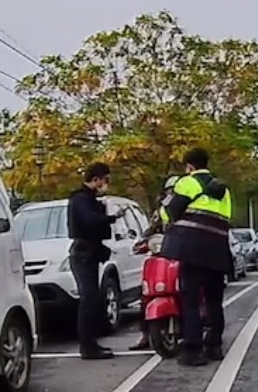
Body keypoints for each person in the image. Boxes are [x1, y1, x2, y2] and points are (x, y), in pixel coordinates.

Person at [159, 148, 232, 366]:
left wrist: (163, 206)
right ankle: (215, 346)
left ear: (189, 166)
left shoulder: (187, 183)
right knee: (214, 301)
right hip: (218, 250)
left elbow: (169, 213)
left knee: (189, 301)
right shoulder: (224, 190)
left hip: (192, 250)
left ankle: (193, 349)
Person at [68, 162, 125, 360]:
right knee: (88, 299)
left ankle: (90, 343)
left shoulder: (89, 199)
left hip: (89, 252)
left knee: (92, 299)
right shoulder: (80, 199)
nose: (106, 184)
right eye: (105, 179)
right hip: (83, 254)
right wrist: (111, 218)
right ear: (97, 179)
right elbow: (89, 221)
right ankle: (87, 346)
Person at [129, 175, 179, 351]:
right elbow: (150, 230)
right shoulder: (161, 211)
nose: (171, 194)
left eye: (175, 191)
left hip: (180, 254)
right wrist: (142, 242)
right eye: (169, 191)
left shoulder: (188, 208)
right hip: (161, 256)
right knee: (146, 293)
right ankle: (144, 333)